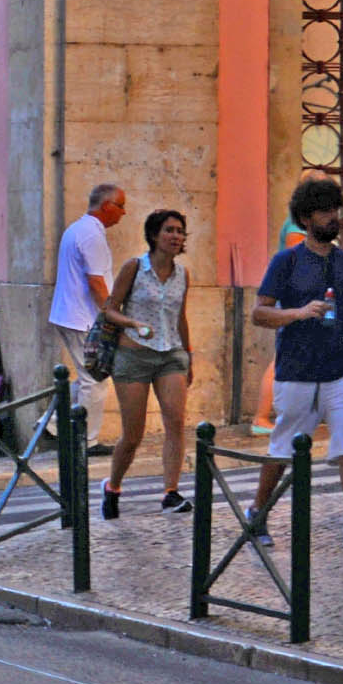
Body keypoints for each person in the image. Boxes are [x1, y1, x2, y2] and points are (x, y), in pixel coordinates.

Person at [247, 174, 343, 547]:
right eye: (325, 211)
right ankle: (257, 514)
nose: (333, 218)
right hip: (297, 370)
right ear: (306, 218)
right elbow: (259, 314)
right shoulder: (287, 261)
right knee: (283, 448)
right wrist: (297, 313)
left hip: (340, 369)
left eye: (335, 210)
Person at [101, 208, 197, 518]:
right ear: (154, 235)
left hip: (171, 355)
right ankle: (113, 486)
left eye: (180, 231)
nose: (176, 236)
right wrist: (131, 323)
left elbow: (180, 317)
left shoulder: (183, 274)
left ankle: (171, 492)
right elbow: (110, 309)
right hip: (133, 354)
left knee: (175, 422)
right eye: (169, 230)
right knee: (133, 434)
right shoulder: (134, 268)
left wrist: (189, 356)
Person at [44, 183, 126, 415]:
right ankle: (86, 441)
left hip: (72, 315)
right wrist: (111, 316)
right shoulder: (91, 235)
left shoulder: (78, 229)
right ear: (106, 206)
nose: (123, 212)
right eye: (120, 206)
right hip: (83, 319)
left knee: (85, 379)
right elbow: (96, 282)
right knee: (95, 381)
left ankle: (49, 426)